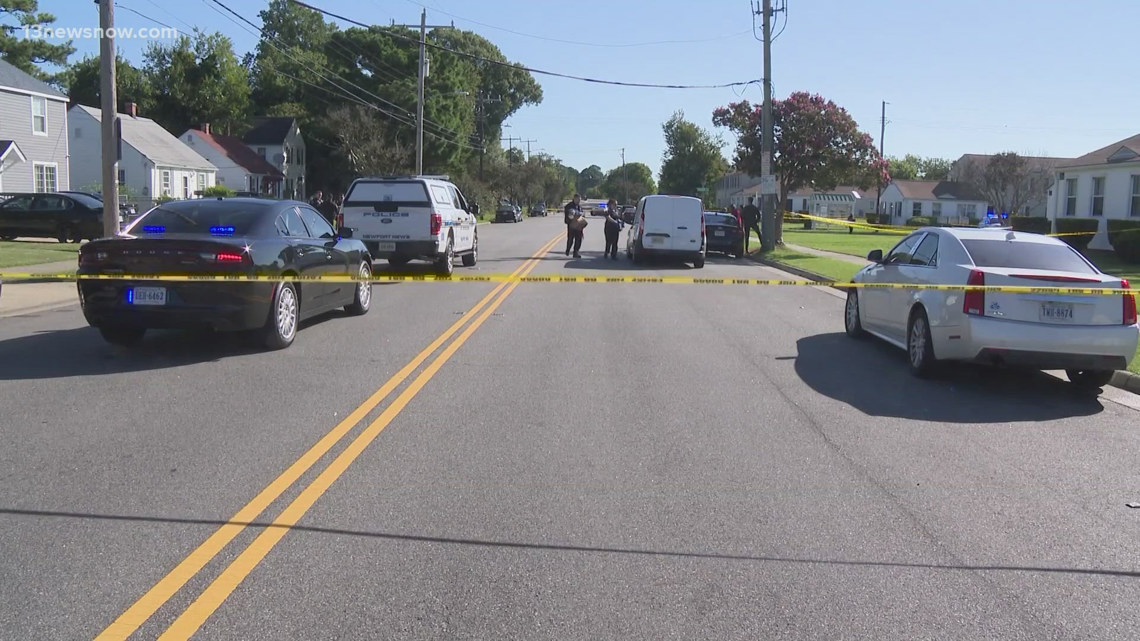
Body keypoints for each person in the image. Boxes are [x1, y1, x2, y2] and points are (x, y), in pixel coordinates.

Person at [564, 193, 585, 258]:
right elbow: (569, 215)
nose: (579, 201)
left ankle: (576, 252)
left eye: (580, 200)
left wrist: (582, 215)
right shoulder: (569, 206)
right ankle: (568, 250)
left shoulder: (579, 207)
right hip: (571, 225)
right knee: (570, 239)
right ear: (575, 198)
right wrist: (577, 213)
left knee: (579, 239)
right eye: (578, 199)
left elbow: (583, 214)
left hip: (578, 225)